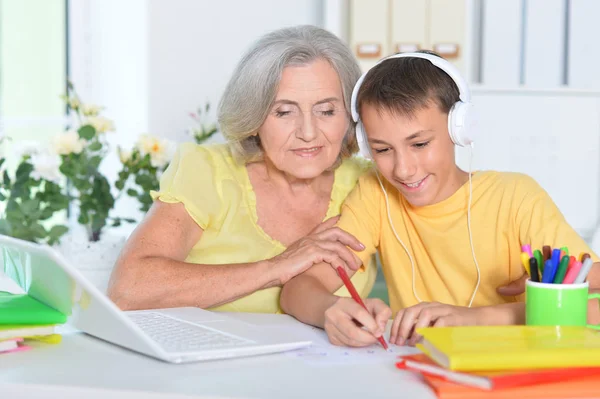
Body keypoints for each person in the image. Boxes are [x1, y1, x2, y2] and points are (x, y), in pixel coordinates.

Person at [280, 50, 600, 346]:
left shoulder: (516, 197)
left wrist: (479, 319)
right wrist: (331, 308)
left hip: (514, 367)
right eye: (382, 149)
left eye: (419, 144)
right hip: (422, 369)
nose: (404, 169)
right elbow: (297, 290)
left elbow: (592, 304)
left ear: (459, 128)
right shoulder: (376, 194)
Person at [107, 25, 378, 312]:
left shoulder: (370, 183)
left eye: (326, 111)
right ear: (255, 117)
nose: (308, 132)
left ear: (349, 116)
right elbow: (127, 290)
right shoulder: (206, 171)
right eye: (284, 112)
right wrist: (276, 267)